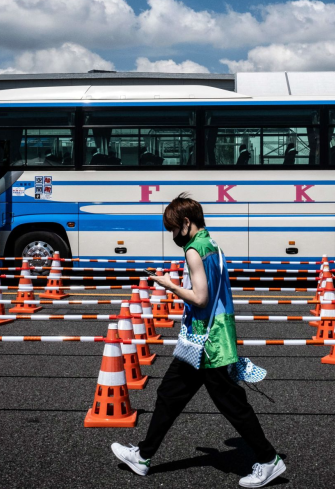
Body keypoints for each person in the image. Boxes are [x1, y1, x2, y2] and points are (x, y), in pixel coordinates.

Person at [111, 194, 285, 488]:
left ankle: (269, 460)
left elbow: (201, 297)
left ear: (186, 223)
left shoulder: (194, 250)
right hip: (214, 335)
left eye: (173, 228)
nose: (173, 235)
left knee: (231, 403)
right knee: (170, 393)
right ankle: (142, 455)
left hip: (207, 342)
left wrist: (169, 285)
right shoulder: (213, 245)